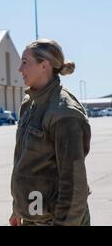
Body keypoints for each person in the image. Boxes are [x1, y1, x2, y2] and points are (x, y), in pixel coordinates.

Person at [10, 39, 91, 226]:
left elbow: (74, 183)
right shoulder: (29, 104)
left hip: (57, 219)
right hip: (32, 217)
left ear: (44, 65)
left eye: (24, 62)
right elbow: (25, 161)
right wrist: (18, 207)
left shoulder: (64, 112)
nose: (19, 70)